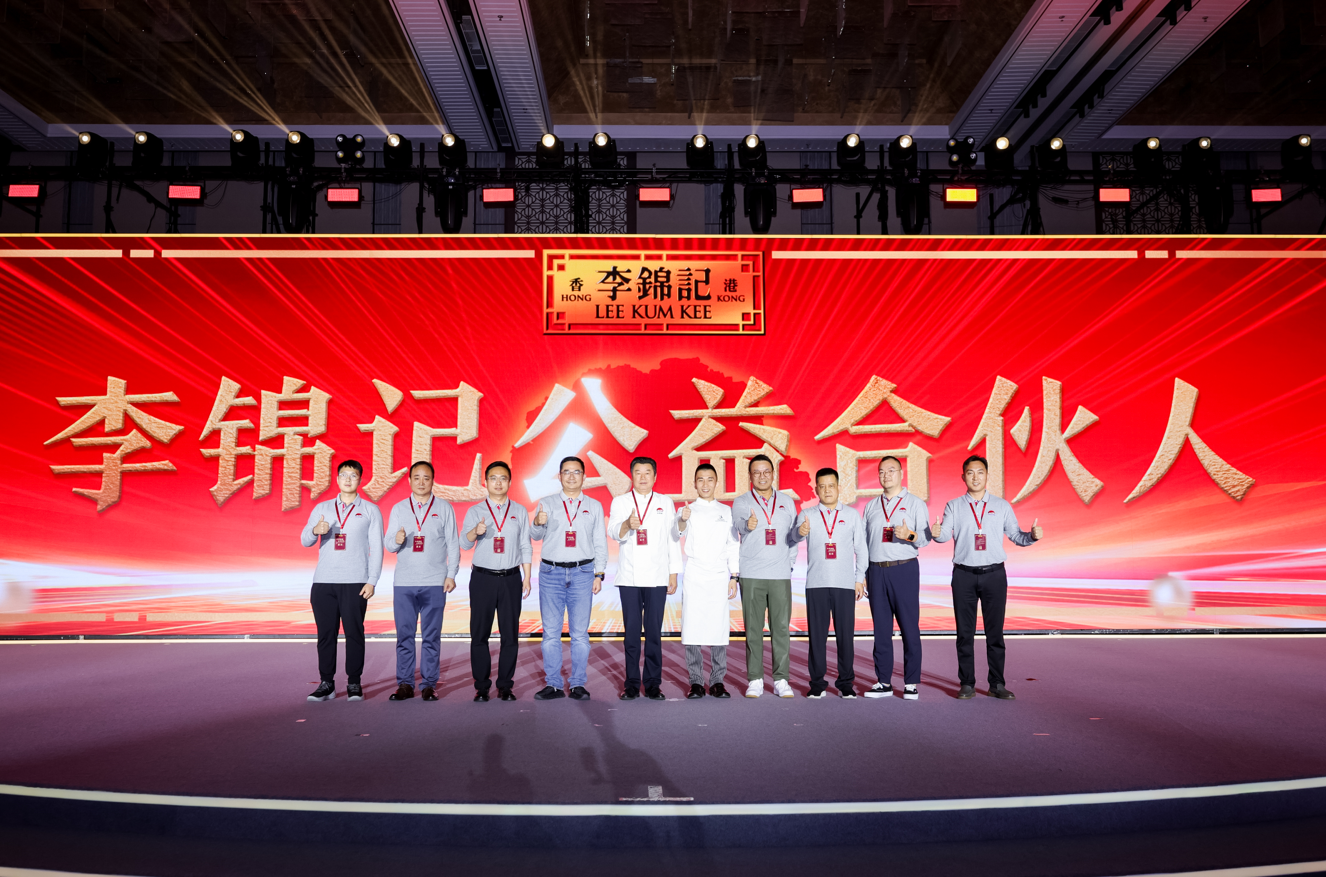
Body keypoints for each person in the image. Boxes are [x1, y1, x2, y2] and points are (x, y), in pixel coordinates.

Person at [931, 455, 1043, 700]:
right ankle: (967, 683)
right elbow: (943, 536)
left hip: (994, 575)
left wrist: (1032, 536)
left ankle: (997, 684)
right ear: (963, 477)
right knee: (965, 633)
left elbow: (1016, 536)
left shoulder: (1001, 506)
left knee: (995, 634)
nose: (975, 477)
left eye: (980, 472)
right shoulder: (954, 505)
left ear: (987, 476)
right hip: (964, 575)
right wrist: (936, 533)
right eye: (970, 472)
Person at [300, 460, 383, 702]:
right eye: (343, 474)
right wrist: (315, 530)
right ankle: (326, 683)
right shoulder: (322, 508)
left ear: (360, 480)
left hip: (356, 582)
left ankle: (354, 682)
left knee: (354, 634)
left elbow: (377, 548)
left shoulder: (370, 510)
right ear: (337, 479)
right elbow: (305, 540)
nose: (348, 479)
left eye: (353, 475)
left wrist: (372, 580)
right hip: (324, 582)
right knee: (326, 635)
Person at [529, 456, 608, 701]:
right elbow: (535, 535)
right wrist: (537, 522)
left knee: (580, 634)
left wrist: (599, 573)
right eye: (566, 472)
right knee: (550, 633)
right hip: (551, 573)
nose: (571, 476)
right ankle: (553, 684)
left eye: (576, 472)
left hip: (582, 573)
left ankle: (577, 684)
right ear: (559, 476)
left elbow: (600, 542)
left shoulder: (594, 505)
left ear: (584, 476)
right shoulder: (547, 503)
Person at [608, 456, 683, 701]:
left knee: (653, 633)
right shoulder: (620, 501)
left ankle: (652, 683)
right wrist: (626, 525)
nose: (642, 477)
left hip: (657, 576)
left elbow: (673, 538)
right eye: (638, 472)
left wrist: (673, 573)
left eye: (647, 472)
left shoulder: (665, 502)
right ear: (631, 476)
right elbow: (613, 532)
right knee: (631, 633)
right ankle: (631, 683)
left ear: (655, 476)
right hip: (629, 577)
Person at [385, 461, 459, 702]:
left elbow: (453, 544)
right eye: (416, 477)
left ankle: (428, 684)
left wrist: (451, 574)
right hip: (404, 583)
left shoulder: (444, 508)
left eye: (426, 478)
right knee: (404, 636)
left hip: (435, 582)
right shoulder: (399, 508)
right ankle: (405, 684)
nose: (421, 482)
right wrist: (396, 540)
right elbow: (388, 544)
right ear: (409, 480)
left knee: (431, 636)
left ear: (433, 481)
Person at [792, 467, 868, 699]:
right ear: (816, 489)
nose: (827, 490)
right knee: (817, 638)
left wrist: (859, 578)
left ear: (838, 487)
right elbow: (793, 539)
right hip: (816, 584)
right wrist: (800, 531)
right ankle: (817, 683)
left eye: (831, 486)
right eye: (822, 486)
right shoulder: (807, 514)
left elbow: (861, 549)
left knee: (846, 637)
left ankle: (845, 683)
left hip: (845, 584)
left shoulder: (852, 515)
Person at [460, 461, 532, 702]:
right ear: (486, 482)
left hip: (511, 578)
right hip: (483, 578)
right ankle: (481, 686)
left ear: (510, 482)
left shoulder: (519, 511)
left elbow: (525, 545)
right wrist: (475, 531)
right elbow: (464, 543)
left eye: (503, 478)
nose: (498, 482)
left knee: (510, 635)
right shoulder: (475, 511)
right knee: (479, 634)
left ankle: (505, 686)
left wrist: (527, 576)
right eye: (493, 478)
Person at [729, 455, 799, 699]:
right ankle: (755, 679)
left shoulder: (787, 502)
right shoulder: (741, 501)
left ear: (773, 473)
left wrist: (789, 566)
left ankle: (781, 679)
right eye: (756, 472)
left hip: (780, 575)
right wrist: (748, 525)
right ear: (750, 476)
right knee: (753, 629)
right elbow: (738, 526)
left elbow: (793, 537)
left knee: (781, 629)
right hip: (752, 574)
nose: (762, 476)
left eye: (766, 471)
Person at [862, 456, 930, 701]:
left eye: (891, 470)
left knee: (909, 627)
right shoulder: (871, 506)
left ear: (901, 473)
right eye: (881, 471)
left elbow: (925, 538)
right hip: (876, 571)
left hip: (904, 570)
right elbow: (863, 543)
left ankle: (910, 683)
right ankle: (883, 682)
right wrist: (862, 574)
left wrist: (909, 535)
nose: (886, 475)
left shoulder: (915, 503)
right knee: (881, 629)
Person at [676, 463, 740, 699]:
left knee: (718, 628)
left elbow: (733, 545)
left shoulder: (726, 511)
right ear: (694, 483)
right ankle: (695, 681)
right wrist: (682, 520)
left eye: (710, 479)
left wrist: (734, 575)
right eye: (700, 480)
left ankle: (717, 681)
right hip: (695, 573)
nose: (705, 484)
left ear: (716, 482)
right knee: (692, 628)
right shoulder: (686, 510)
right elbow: (676, 533)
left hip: (719, 575)